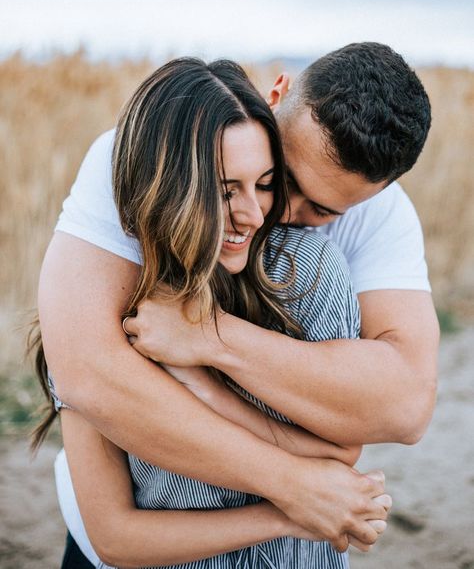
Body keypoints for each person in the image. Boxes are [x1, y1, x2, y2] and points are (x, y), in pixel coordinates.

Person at [38, 42, 437, 552]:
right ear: (277, 93)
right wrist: (292, 486)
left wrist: (212, 339)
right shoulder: (141, 162)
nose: (274, 213)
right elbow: (88, 373)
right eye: (282, 178)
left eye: (322, 210)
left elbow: (403, 408)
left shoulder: (342, 247)